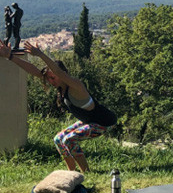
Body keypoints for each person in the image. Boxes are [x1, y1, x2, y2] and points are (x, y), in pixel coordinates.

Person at [1, 41, 117, 173]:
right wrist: (10, 56)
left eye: (52, 77)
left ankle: (86, 172)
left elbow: (57, 72)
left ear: (62, 74)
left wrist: (39, 54)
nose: (50, 81)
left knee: (69, 139)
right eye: (48, 79)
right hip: (88, 121)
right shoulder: (61, 88)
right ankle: (71, 172)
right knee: (58, 139)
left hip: (103, 122)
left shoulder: (75, 85)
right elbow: (34, 71)